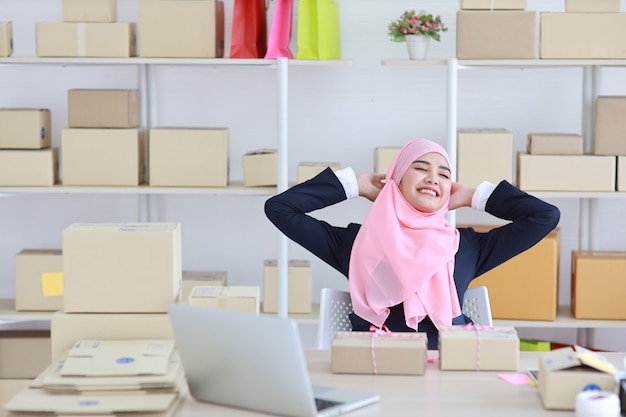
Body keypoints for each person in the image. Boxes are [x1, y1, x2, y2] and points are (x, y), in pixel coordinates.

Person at [264, 138, 560, 349]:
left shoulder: (464, 246)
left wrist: (474, 196)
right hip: (376, 369)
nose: (433, 178)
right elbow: (280, 209)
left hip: (450, 371)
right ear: (396, 179)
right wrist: (354, 185)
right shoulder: (358, 243)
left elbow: (545, 217)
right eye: (420, 168)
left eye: (444, 175)